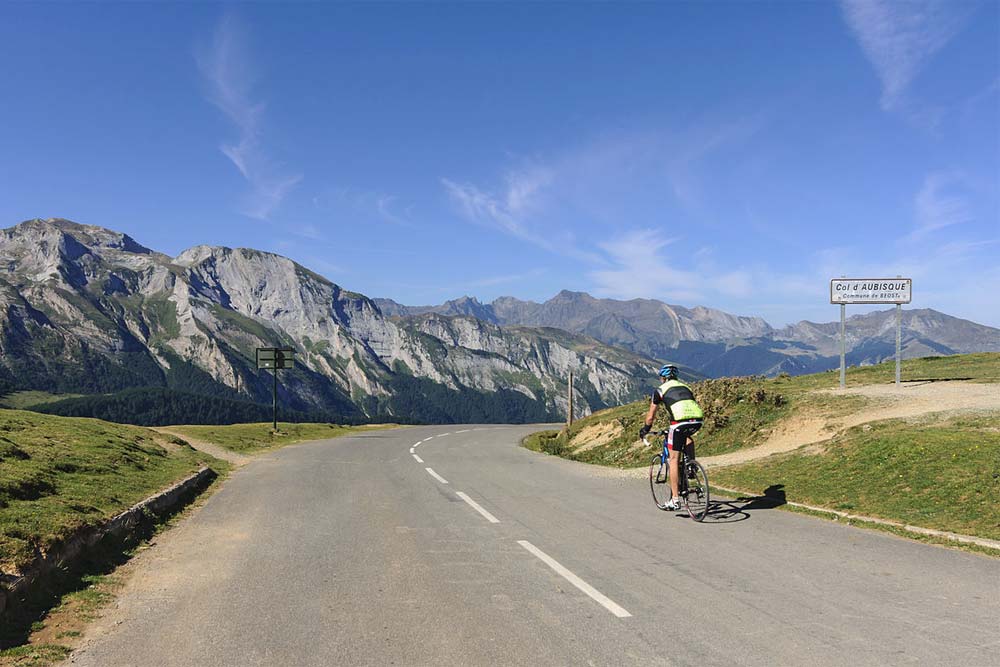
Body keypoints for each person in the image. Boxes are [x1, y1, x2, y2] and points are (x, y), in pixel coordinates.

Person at [639, 364, 704, 510]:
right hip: (697, 420)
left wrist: (645, 429)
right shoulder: (686, 387)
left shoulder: (660, 390)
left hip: (679, 422)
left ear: (663, 378)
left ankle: (675, 500)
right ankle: (691, 466)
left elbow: (650, 416)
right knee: (686, 436)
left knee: (673, 459)